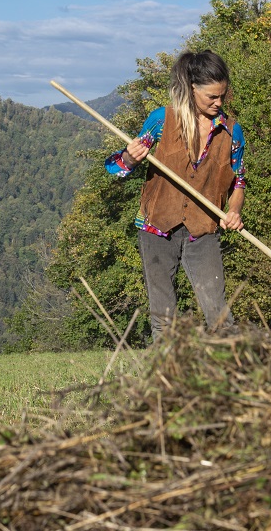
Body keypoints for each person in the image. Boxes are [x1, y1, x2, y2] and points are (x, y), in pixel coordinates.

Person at [106, 49, 246, 340]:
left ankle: (236, 374)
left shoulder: (232, 132)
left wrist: (234, 211)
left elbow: (239, 182)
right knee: (163, 319)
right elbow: (116, 169)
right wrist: (130, 158)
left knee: (220, 315)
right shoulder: (161, 120)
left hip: (203, 230)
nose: (218, 103)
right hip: (156, 227)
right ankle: (165, 380)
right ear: (192, 88)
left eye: (223, 96)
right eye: (212, 97)